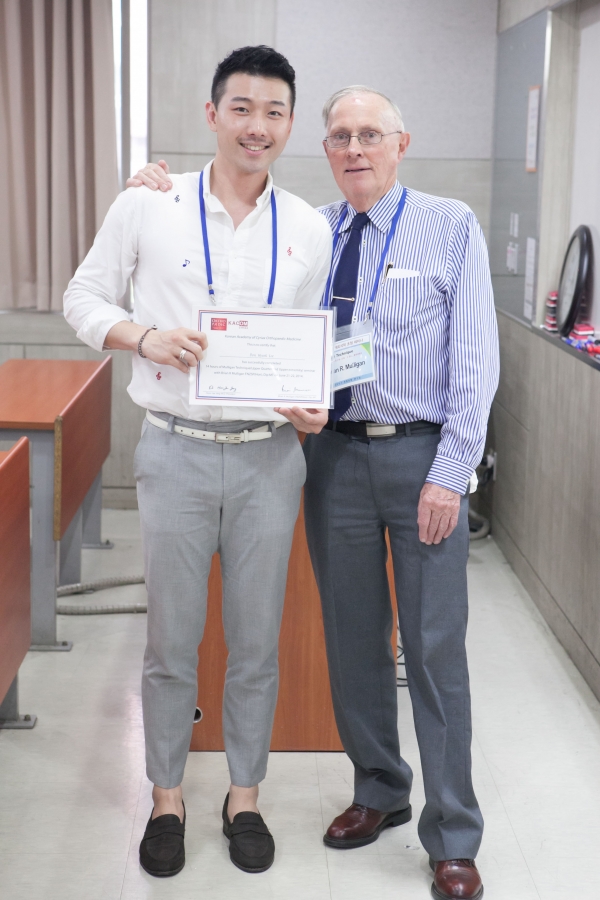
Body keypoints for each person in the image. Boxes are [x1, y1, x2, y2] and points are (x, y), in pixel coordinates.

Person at [129, 84, 499, 900]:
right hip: (332, 457)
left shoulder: (449, 226)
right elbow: (238, 301)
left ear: (401, 143)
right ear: (323, 148)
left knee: (433, 647)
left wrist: (451, 473)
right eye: (339, 136)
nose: (355, 149)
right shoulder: (312, 231)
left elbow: (477, 362)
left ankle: (453, 832)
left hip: (421, 457)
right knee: (353, 637)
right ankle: (380, 788)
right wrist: (151, 190)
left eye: (370, 134)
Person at [63, 45, 332, 879]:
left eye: (274, 112)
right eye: (242, 108)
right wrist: (142, 337)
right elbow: (82, 298)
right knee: (170, 643)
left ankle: (244, 796)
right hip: (175, 450)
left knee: (256, 644)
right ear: (213, 114)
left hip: (269, 458)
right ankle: (167, 796)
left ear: (290, 124)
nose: (258, 125)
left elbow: (314, 346)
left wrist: (314, 401)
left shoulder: (310, 227)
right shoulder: (149, 204)